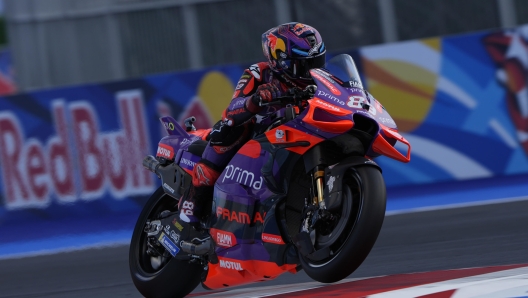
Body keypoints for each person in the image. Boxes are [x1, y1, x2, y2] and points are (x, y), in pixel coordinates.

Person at [179, 22, 327, 230]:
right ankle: (190, 208)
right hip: (255, 137)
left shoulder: (321, 83)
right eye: (303, 64)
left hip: (293, 139)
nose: (311, 70)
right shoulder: (259, 73)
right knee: (230, 130)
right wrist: (256, 100)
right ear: (281, 61)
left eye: (316, 62)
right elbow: (232, 111)